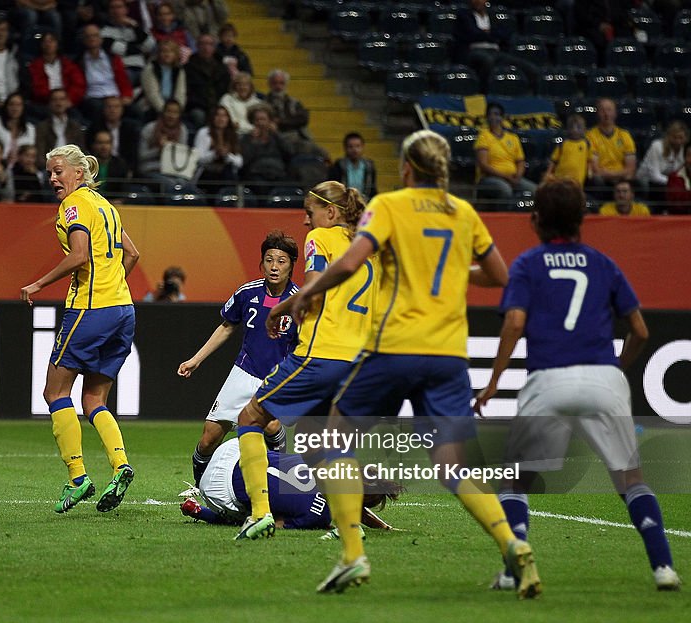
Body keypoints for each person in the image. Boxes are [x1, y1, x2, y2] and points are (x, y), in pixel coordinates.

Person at [268, 129, 540, 598]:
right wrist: (455, 271)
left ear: (407, 168)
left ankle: (353, 555)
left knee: (332, 438)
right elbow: (500, 275)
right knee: (452, 465)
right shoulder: (465, 213)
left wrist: (302, 295)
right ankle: (512, 544)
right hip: (448, 354)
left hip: (394, 347)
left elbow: (351, 263)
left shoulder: (389, 206)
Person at [474, 177, 681, 592]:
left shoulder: (528, 264)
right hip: (603, 376)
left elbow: (515, 322)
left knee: (517, 479)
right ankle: (663, 568)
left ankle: (515, 569)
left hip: (548, 378)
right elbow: (639, 330)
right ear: (581, 219)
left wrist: (493, 383)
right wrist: (616, 370)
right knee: (630, 478)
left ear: (535, 220)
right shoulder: (603, 263)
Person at [233, 181, 376, 541]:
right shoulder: (369, 250)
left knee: (250, 417)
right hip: (358, 359)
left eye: (309, 212)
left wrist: (283, 308)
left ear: (330, 212)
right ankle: (347, 525)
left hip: (320, 352)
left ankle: (260, 513)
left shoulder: (322, 240)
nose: (305, 220)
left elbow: (310, 289)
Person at [21, 144, 140, 514]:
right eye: (50, 172)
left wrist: (37, 285)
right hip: (123, 309)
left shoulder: (73, 205)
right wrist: (113, 286)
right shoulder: (106, 206)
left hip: (90, 310)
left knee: (53, 391)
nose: (53, 178)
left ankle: (78, 479)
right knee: (94, 400)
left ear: (77, 172)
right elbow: (132, 254)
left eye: (58, 171)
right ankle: (120, 466)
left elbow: (79, 255)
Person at [178, 231, 299, 483]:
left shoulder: (300, 301)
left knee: (273, 428)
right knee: (208, 438)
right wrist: (195, 360)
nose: (274, 267)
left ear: (292, 265)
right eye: (269, 260)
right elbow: (226, 326)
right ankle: (200, 488)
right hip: (243, 373)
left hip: (276, 378)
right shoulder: (247, 293)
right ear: (261, 263)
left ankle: (284, 486)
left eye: (281, 261)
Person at [179, 438, 398, 532]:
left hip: (232, 450)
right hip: (218, 489)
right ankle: (200, 511)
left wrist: (382, 526)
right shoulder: (318, 517)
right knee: (255, 516)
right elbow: (276, 524)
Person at [453, 0, 537, 91]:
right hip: (474, 50)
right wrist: (491, 34)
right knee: (487, 60)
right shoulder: (464, 15)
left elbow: (505, 34)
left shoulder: (493, 16)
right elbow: (473, 33)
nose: (477, 1)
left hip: (495, 51)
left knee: (530, 68)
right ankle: (484, 91)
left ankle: (530, 94)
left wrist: (486, 33)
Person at [474, 101, 537, 210]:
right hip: (490, 178)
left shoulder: (513, 138)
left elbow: (520, 161)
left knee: (536, 190)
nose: (493, 117)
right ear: (487, 118)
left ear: (502, 118)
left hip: (513, 177)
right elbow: (483, 165)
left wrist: (517, 176)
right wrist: (506, 177)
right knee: (505, 190)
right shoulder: (483, 137)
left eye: (496, 114)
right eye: (490, 114)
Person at [77, 22, 134, 121]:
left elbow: (123, 80)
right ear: (84, 40)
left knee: (135, 111)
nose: (92, 38)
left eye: (95, 35)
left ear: (101, 38)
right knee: (98, 108)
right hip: (93, 98)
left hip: (115, 96)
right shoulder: (79, 61)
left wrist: (126, 96)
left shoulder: (113, 58)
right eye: (89, 36)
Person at [240, 103, 293, 198]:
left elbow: (289, 152)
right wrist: (253, 142)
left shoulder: (277, 137)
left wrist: (277, 134)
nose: (260, 123)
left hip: (278, 172)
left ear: (269, 121)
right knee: (260, 187)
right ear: (252, 122)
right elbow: (244, 160)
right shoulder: (247, 138)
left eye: (263, 119)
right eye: (257, 120)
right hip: (256, 174)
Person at [587, 98, 637, 194]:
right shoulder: (590, 136)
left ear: (615, 113)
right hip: (602, 178)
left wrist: (614, 174)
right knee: (596, 179)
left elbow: (631, 167)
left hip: (621, 178)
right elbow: (595, 168)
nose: (606, 114)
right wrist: (615, 175)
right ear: (597, 113)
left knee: (638, 181)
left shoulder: (625, 135)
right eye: (603, 110)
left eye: (609, 110)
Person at [636, 120, 688, 209]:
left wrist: (677, 183)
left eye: (681, 137)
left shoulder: (685, 151)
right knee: (665, 189)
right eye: (675, 137)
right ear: (669, 137)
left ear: (685, 138)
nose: (678, 141)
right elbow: (655, 176)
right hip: (646, 180)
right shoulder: (657, 146)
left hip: (668, 182)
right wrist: (675, 183)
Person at [27, 32, 87, 110]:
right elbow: (36, 87)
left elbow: (79, 84)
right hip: (44, 104)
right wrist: (53, 100)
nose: (48, 44)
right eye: (45, 41)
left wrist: (67, 99)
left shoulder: (68, 64)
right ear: (41, 45)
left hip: (67, 103)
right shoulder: (34, 66)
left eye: (51, 41)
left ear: (57, 44)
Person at [184, 33, 230, 129]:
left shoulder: (223, 68)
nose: (206, 47)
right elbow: (188, 93)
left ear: (214, 47)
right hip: (197, 106)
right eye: (203, 44)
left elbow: (226, 90)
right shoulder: (188, 68)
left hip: (219, 105)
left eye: (210, 44)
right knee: (199, 116)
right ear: (197, 46)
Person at [192, 105, 242, 191]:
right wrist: (215, 154)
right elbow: (198, 159)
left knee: (228, 173)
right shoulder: (203, 133)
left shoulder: (233, 135)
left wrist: (226, 155)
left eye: (224, 115)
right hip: (207, 172)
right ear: (212, 117)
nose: (221, 118)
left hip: (227, 173)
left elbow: (239, 162)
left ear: (228, 119)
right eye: (217, 115)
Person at [139, 39, 187, 121]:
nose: (167, 54)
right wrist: (166, 111)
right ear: (158, 53)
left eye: (170, 52)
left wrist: (176, 110)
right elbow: (152, 94)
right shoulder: (150, 68)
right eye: (164, 51)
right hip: (151, 106)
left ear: (176, 54)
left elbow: (181, 92)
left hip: (172, 106)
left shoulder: (179, 70)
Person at [544, 114, 595, 187]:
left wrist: (590, 172)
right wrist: (548, 173)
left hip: (578, 179)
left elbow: (589, 160)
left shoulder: (586, 144)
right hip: (560, 177)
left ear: (584, 129)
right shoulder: (563, 144)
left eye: (578, 127)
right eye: (572, 127)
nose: (575, 130)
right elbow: (554, 161)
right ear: (568, 129)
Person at [34, 88, 86, 161]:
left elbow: (81, 152)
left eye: (62, 99)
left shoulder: (75, 127)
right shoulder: (42, 127)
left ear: (68, 102)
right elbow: (40, 153)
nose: (58, 103)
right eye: (55, 100)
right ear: (50, 104)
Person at [0, 92, 36, 165]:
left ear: (23, 108)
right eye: (11, 104)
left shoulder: (30, 128)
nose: (15, 108)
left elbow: (30, 151)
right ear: (6, 106)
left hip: (21, 168)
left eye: (18, 105)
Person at [328, 132, 377, 201]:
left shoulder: (369, 166)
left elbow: (372, 188)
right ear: (345, 148)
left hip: (364, 203)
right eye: (350, 147)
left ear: (363, 147)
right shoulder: (339, 165)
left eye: (358, 146)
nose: (354, 150)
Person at [90, 128, 131, 198]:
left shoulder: (120, 164)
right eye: (100, 143)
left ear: (112, 145)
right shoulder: (88, 164)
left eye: (107, 143)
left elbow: (124, 189)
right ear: (94, 145)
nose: (104, 147)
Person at [218, 71, 261, 136]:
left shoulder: (258, 103)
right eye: (239, 84)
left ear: (251, 87)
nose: (242, 87)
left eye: (246, 84)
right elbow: (231, 123)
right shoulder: (227, 99)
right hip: (233, 134)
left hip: (253, 135)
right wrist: (250, 129)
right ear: (234, 86)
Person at [665, 144, 691, 214]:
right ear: (684, 158)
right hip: (682, 221)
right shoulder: (674, 178)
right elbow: (676, 205)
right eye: (689, 155)